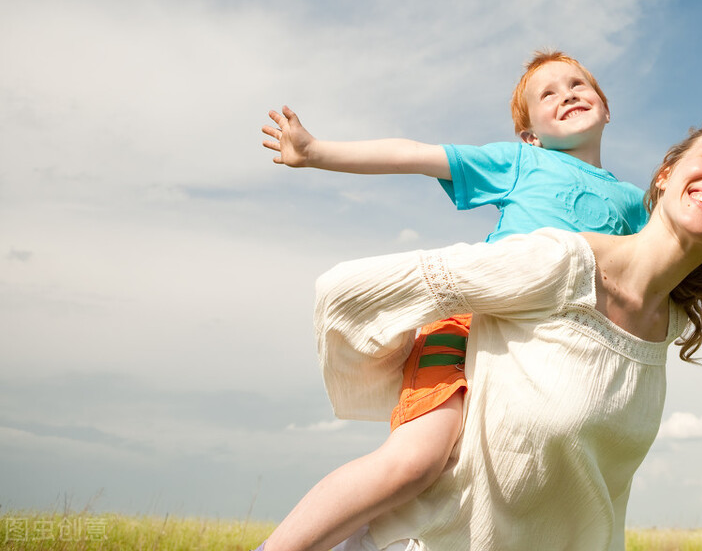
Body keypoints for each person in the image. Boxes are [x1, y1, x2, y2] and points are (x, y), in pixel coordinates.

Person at [310, 104, 702, 550]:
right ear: (667, 173)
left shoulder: (669, 317)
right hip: (429, 503)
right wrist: (431, 372)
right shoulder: (557, 254)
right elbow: (351, 293)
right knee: (413, 462)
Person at [259, 50, 648, 551]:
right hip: (466, 328)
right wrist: (315, 152)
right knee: (415, 463)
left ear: (606, 108)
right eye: (547, 94)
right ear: (531, 135)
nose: (567, 94)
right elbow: (416, 154)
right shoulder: (523, 162)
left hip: (543, 358)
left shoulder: (635, 204)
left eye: (578, 84)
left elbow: (688, 264)